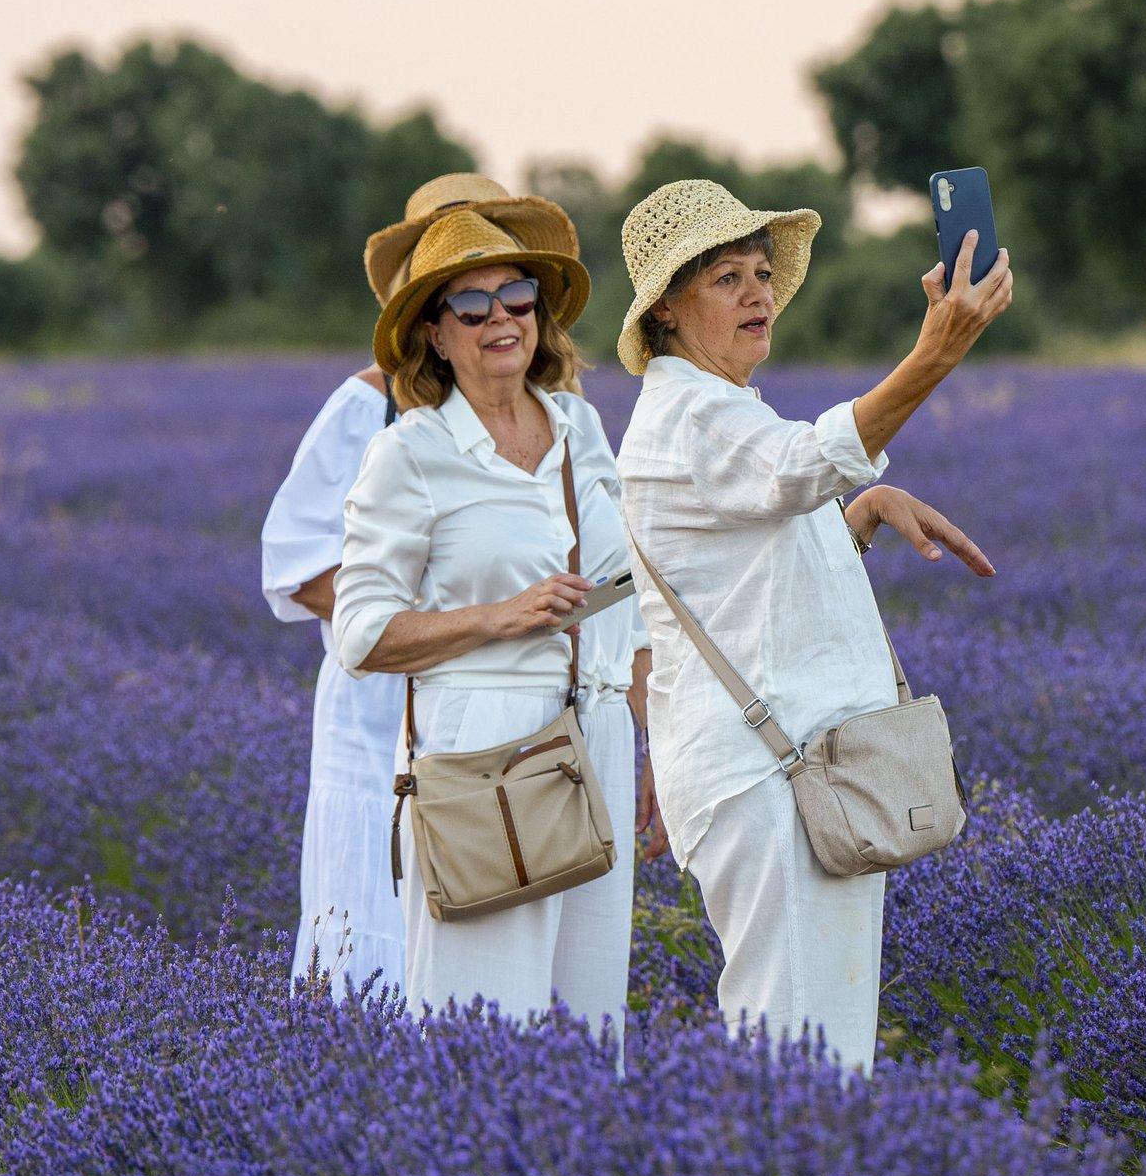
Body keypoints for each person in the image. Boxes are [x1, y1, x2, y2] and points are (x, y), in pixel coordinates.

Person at [613, 179, 1012, 1073]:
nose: (757, 293)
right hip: (770, 781)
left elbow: (753, 566)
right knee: (798, 1061)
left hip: (804, 773)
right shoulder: (689, 417)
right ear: (668, 312)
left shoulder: (720, 411)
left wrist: (860, 512)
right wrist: (935, 355)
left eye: (760, 272)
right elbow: (801, 464)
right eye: (725, 278)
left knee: (815, 1051)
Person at [331, 203, 657, 1048]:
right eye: (469, 307)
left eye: (515, 297)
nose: (500, 319)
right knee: (478, 1028)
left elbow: (627, 592)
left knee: (592, 1028)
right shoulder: (411, 453)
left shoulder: (580, 427)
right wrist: (495, 617)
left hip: (599, 730)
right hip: (483, 742)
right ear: (435, 336)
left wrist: (652, 737)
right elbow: (360, 634)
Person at [262, 173, 590, 993]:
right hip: (381, 700)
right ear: (428, 306)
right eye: (461, 287)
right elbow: (296, 561)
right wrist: (443, 617)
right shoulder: (366, 408)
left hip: (500, 697)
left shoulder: (551, 409)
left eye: (508, 286)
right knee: (373, 891)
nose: (494, 309)